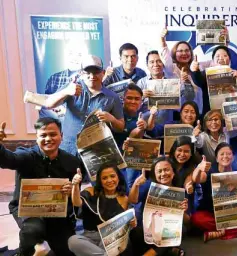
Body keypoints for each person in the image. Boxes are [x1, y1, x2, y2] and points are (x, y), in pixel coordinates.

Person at [0, 118, 81, 256]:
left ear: (61, 135)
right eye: (43, 135)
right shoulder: (27, 156)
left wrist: (72, 190)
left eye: (53, 134)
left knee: (68, 250)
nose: (48, 139)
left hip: (57, 213)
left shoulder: (71, 161)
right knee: (32, 230)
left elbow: (76, 193)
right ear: (36, 138)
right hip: (28, 212)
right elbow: (8, 159)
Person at [68, 164, 165, 256]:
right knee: (73, 240)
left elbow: (128, 226)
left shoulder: (124, 199)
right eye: (104, 178)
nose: (109, 180)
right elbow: (77, 202)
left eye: (112, 176)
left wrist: (132, 223)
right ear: (100, 181)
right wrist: (75, 185)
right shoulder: (91, 191)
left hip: (111, 240)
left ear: (118, 178)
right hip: (89, 238)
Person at [44, 54, 125, 156]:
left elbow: (121, 127)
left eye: (96, 72)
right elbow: (48, 104)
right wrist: (66, 92)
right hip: (68, 150)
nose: (92, 76)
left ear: (103, 73)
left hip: (95, 152)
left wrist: (112, 119)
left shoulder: (113, 97)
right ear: (81, 73)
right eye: (88, 72)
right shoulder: (72, 87)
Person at [191, 142, 237, 242]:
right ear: (217, 158)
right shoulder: (210, 171)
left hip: (234, 212)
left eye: (229, 154)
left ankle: (219, 233)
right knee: (196, 218)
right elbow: (196, 179)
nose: (225, 156)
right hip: (213, 213)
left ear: (234, 157)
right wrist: (198, 168)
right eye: (222, 154)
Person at [191, 46, 237, 166]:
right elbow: (198, 80)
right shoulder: (207, 74)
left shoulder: (235, 74)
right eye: (217, 56)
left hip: (229, 119)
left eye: (224, 55)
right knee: (207, 152)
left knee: (233, 151)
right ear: (213, 61)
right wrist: (194, 70)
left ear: (229, 59)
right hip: (211, 120)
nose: (221, 58)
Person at [133, 157, 189, 255]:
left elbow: (187, 221)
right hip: (149, 229)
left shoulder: (180, 191)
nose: (163, 174)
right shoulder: (148, 186)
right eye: (159, 171)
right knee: (135, 233)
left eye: (166, 170)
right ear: (155, 174)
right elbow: (132, 200)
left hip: (168, 230)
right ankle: (169, 250)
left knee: (182, 229)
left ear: (173, 172)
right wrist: (136, 185)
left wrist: (183, 212)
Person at [160, 29, 204, 114]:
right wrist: (162, 40)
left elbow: (216, 62)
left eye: (187, 50)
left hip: (196, 114)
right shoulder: (171, 68)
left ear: (191, 53)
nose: (184, 53)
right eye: (180, 51)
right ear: (174, 53)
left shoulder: (197, 68)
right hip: (176, 114)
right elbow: (165, 53)